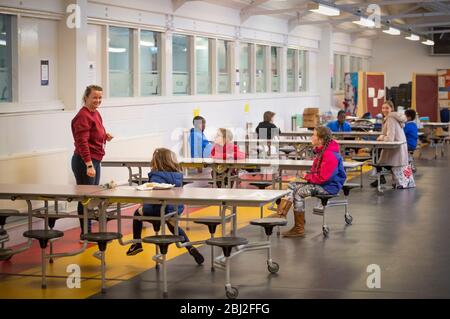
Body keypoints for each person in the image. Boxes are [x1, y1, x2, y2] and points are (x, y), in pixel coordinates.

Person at [126, 148, 204, 265]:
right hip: (175, 208)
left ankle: (136, 243)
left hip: (160, 208)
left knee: (138, 213)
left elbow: (154, 196)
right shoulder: (177, 175)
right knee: (173, 225)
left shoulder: (156, 176)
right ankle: (190, 247)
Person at [274, 126, 346, 237]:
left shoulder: (329, 155)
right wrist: (307, 176)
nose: (311, 137)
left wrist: (307, 177)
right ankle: (281, 215)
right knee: (292, 185)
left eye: (314, 135)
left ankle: (299, 228)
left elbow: (324, 178)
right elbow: (318, 174)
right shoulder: (322, 152)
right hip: (322, 183)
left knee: (299, 192)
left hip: (329, 187)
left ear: (320, 139)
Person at [71, 85, 113, 239]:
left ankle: (87, 230)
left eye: (100, 97)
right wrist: (89, 164)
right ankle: (85, 232)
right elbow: (82, 142)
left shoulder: (95, 113)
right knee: (85, 197)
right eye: (94, 97)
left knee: (92, 196)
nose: (98, 100)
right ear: (86, 97)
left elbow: (95, 134)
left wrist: (105, 136)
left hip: (94, 159)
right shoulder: (83, 116)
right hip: (84, 161)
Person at [370, 101, 412, 188]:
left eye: (387, 108)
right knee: (377, 154)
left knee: (375, 155)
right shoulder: (394, 118)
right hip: (399, 149)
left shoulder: (390, 119)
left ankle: (380, 177)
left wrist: (381, 137)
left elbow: (390, 138)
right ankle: (381, 178)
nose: (384, 110)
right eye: (383, 108)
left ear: (391, 109)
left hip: (395, 150)